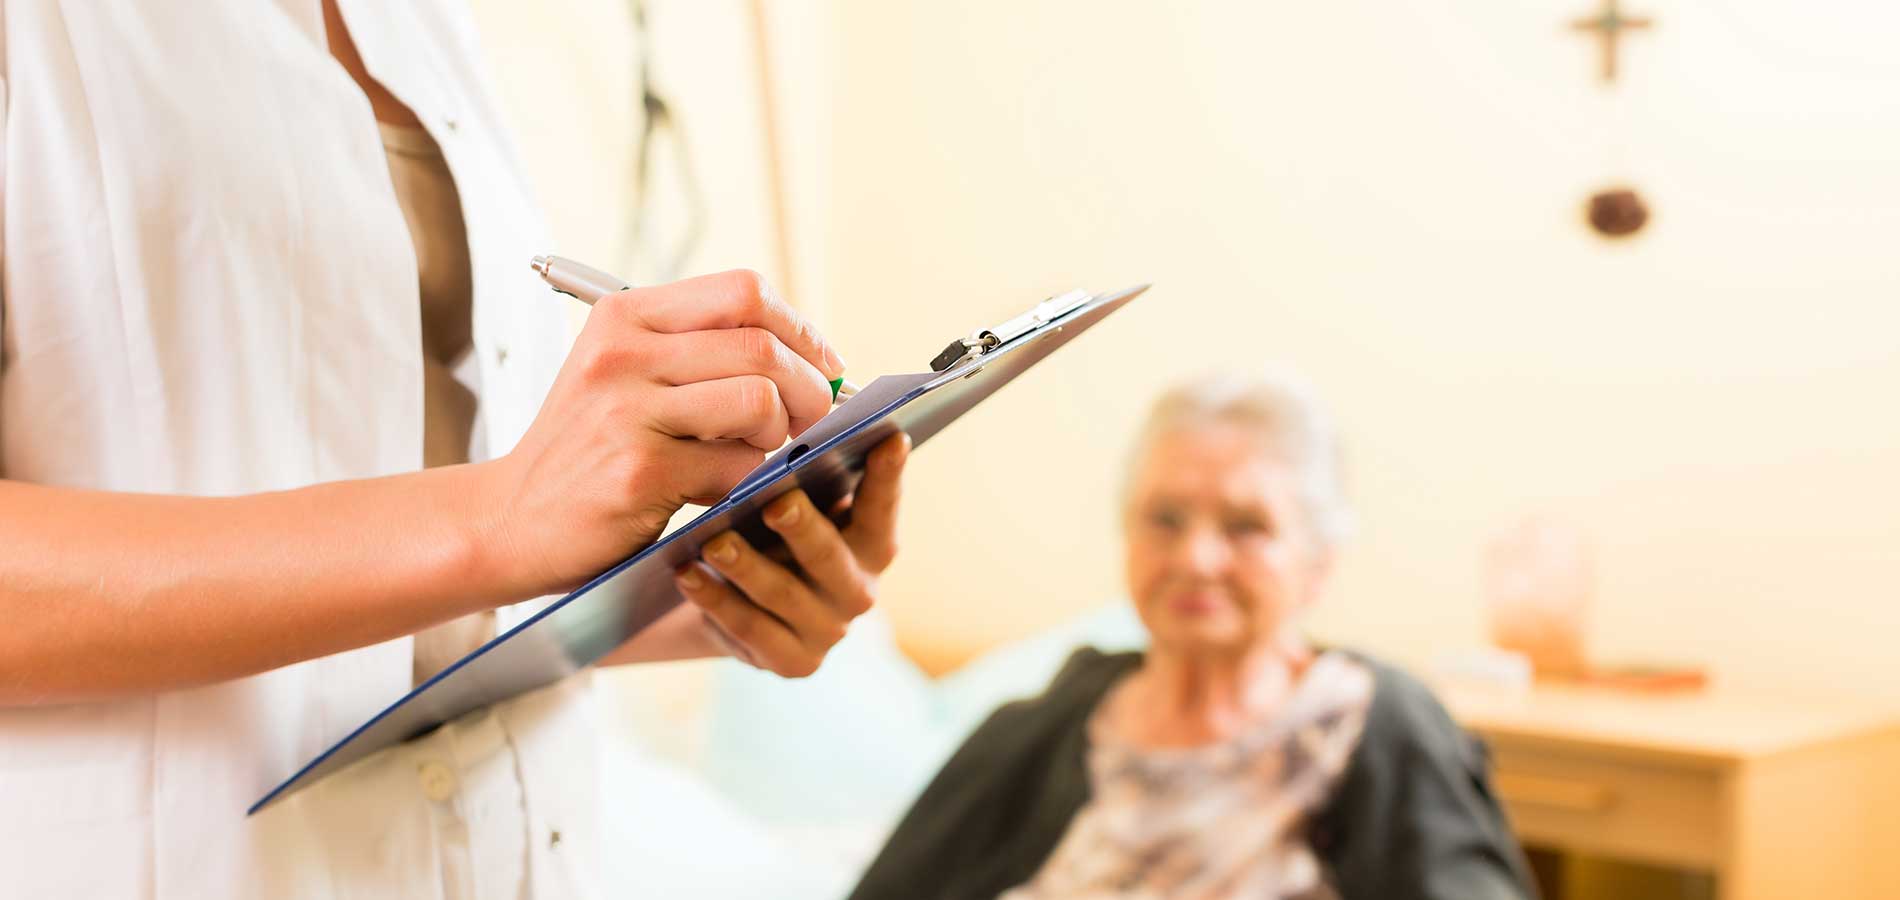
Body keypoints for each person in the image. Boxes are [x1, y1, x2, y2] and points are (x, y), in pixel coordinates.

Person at [0, 2, 906, 897]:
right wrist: (496, 520)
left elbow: (426, 580)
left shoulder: (426, 21)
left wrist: (706, 598)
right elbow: (479, 528)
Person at [849, 373, 1534, 900]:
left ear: (1317, 564)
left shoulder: (1375, 722)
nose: (1196, 558)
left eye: (1246, 526)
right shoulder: (1041, 727)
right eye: (1165, 519)